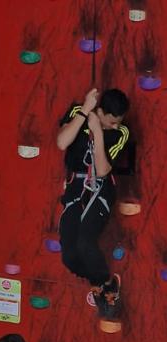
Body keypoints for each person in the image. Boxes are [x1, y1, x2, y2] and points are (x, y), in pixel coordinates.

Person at [57, 87, 130, 317]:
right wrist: (84, 113)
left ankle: (107, 285)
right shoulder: (78, 111)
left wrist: (98, 131)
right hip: (76, 187)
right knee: (69, 255)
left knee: (85, 242)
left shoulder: (121, 133)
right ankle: (98, 282)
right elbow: (62, 142)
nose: (116, 126)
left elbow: (102, 170)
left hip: (101, 188)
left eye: (119, 122)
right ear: (100, 111)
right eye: (112, 121)